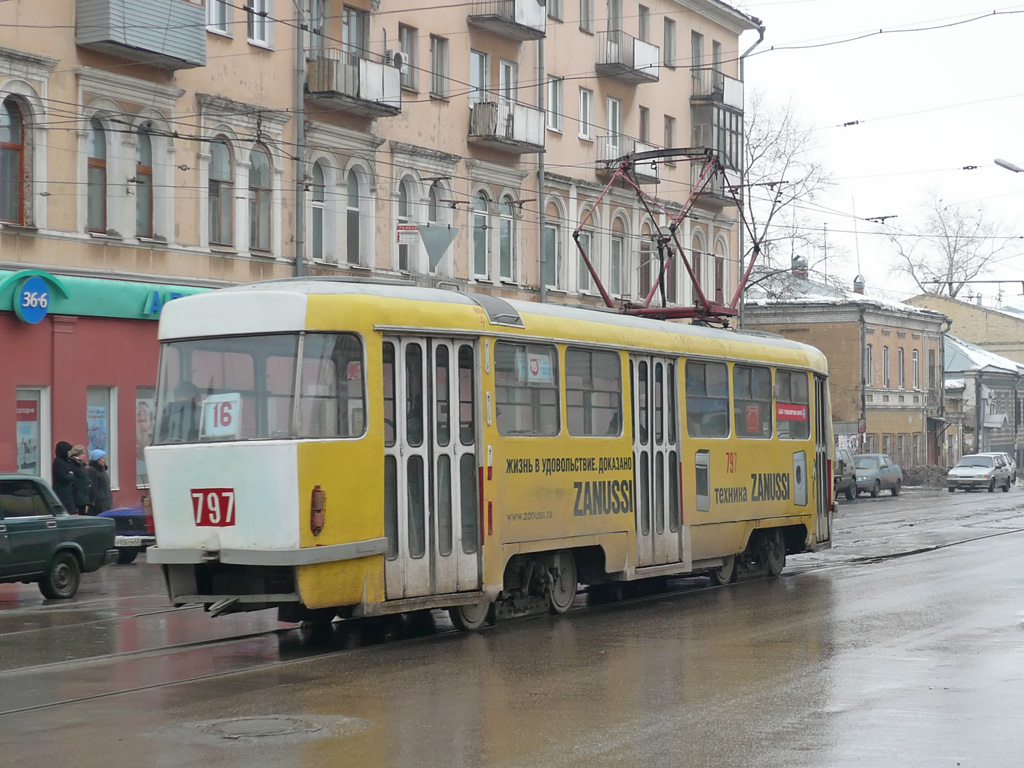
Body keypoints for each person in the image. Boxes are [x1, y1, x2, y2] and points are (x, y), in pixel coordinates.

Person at [52, 441, 76, 513]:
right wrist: (71, 475)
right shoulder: (59, 462)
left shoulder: (65, 461)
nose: (69, 453)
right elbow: (63, 476)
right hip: (62, 492)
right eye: (68, 451)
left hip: (67, 492)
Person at [87, 449, 113, 515]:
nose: (104, 460)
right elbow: (92, 486)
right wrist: (92, 500)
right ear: (97, 459)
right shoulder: (93, 470)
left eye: (105, 458)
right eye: (103, 458)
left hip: (106, 499)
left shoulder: (102, 470)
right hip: (99, 501)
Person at [68, 444, 92, 515]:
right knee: (81, 513)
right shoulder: (74, 463)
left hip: (82, 493)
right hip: (78, 493)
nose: (84, 456)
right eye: (83, 454)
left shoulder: (80, 464)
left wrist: (88, 482)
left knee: (83, 512)